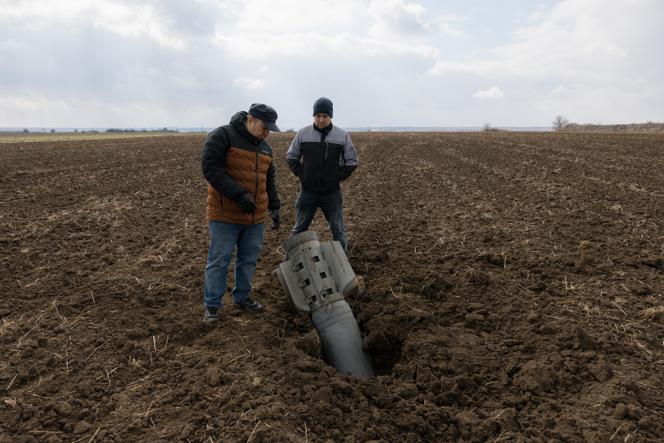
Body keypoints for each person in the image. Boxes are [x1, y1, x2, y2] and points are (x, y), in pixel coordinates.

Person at [201, 103, 281, 325]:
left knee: (248, 259)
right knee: (219, 260)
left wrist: (274, 205)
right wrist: (239, 196)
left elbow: (269, 178)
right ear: (251, 119)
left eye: (270, 129)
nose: (267, 132)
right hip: (226, 213)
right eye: (265, 127)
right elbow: (210, 168)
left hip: (255, 217)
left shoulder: (265, 148)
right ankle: (212, 306)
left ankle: (242, 297)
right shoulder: (223, 135)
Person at [286, 97, 358, 252]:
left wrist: (336, 176)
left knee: (338, 230)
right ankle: (290, 263)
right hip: (307, 192)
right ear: (314, 116)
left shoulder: (341, 136)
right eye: (318, 115)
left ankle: (342, 264)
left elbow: (352, 161)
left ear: (330, 116)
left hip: (331, 193)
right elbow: (291, 156)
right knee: (298, 230)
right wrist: (302, 174)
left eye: (325, 116)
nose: (321, 119)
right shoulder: (303, 133)